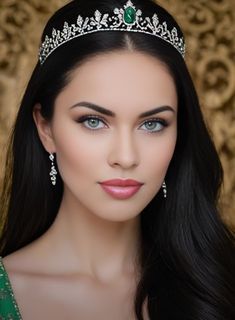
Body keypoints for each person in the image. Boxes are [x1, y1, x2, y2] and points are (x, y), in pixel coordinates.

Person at [0, 0, 234, 319]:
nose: (126, 157)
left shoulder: (220, 284)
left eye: (152, 124)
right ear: (46, 128)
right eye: (93, 121)